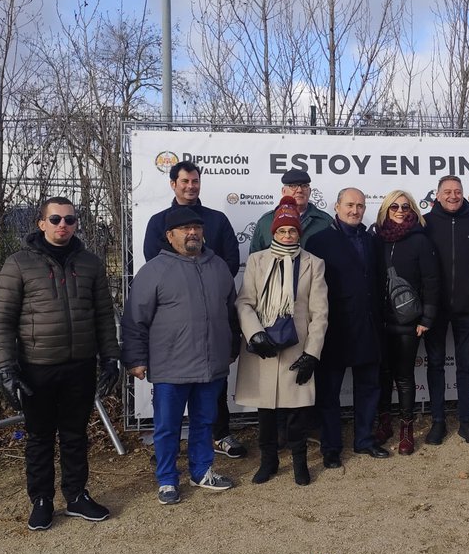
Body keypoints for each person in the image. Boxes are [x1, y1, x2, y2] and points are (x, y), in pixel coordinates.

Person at [0, 196, 120, 532]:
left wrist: (110, 359)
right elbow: (2, 320)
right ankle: (42, 500)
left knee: (76, 435)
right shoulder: (19, 264)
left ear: (77, 223)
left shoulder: (91, 263)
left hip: (79, 365)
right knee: (40, 437)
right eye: (56, 219)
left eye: (69, 220)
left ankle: (76, 495)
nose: (63, 225)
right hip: (37, 366)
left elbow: (104, 316)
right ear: (41, 223)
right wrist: (6, 368)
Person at [122, 207, 238, 504]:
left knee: (204, 422)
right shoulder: (154, 271)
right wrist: (135, 358)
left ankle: (202, 471)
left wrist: (231, 346)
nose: (193, 233)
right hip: (171, 365)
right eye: (185, 229)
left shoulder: (218, 267)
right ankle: (167, 480)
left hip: (210, 364)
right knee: (167, 427)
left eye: (197, 228)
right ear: (170, 235)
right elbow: (135, 318)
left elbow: (230, 312)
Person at [143, 160, 246, 460]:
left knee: (214, 381)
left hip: (212, 312)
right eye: (185, 181)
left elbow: (229, 259)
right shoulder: (158, 221)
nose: (191, 186)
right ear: (173, 184)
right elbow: (155, 265)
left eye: (195, 181)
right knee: (172, 392)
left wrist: (208, 284)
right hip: (174, 319)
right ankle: (169, 445)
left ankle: (221, 434)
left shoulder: (217, 220)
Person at [236, 197, 329, 484]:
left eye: (292, 231)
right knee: (265, 410)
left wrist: (312, 353)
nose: (287, 236)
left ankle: (300, 462)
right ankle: (269, 462)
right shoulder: (257, 261)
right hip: (263, 346)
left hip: (296, 345)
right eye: (281, 231)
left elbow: (320, 312)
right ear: (273, 232)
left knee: (297, 410)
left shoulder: (313, 263)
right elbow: (244, 302)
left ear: (299, 233)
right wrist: (255, 333)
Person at [304, 188, 390, 466]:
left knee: (369, 388)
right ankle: (331, 447)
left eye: (360, 206)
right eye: (350, 205)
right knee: (329, 393)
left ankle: (364, 440)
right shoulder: (319, 241)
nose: (355, 210)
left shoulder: (372, 240)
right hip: (334, 329)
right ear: (337, 206)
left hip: (368, 326)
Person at [375, 189, 440, 455]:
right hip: (379, 321)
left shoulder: (420, 240)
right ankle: (384, 424)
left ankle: (406, 430)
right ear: (386, 210)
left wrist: (427, 318)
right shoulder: (375, 239)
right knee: (382, 376)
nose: (400, 211)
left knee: (404, 378)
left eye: (405, 207)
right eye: (394, 207)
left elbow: (432, 281)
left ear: (413, 210)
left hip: (408, 323)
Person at [423, 175, 469, 445]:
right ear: (437, 195)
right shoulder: (423, 223)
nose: (453, 195)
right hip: (433, 310)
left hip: (467, 309)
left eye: (457, 191)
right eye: (447, 191)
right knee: (435, 365)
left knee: (465, 367)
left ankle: (465, 422)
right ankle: (437, 422)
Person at [249, 169, 334, 253]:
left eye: (304, 186)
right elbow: (255, 259)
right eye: (293, 186)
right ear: (283, 191)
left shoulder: (325, 222)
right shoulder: (266, 222)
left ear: (310, 191)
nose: (299, 190)